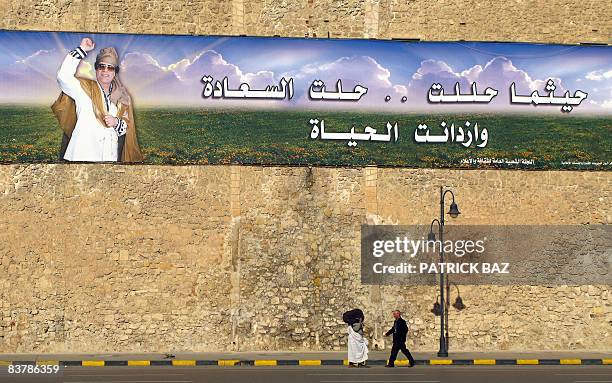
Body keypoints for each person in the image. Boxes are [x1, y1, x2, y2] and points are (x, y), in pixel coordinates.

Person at [52, 37, 143, 162]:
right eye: (101, 66)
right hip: (82, 155)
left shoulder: (122, 98)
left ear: (115, 72)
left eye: (110, 67)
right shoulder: (84, 89)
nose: (105, 71)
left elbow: (126, 128)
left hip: (109, 157)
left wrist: (116, 122)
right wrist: (82, 49)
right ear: (96, 69)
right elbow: (63, 77)